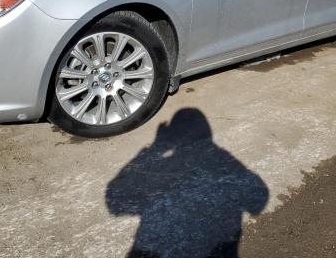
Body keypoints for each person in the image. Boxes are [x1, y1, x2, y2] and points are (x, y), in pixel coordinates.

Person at [106, 108, 268, 257]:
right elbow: (258, 200)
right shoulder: (222, 159)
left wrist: (154, 149)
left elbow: (115, 201)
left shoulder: (162, 167)